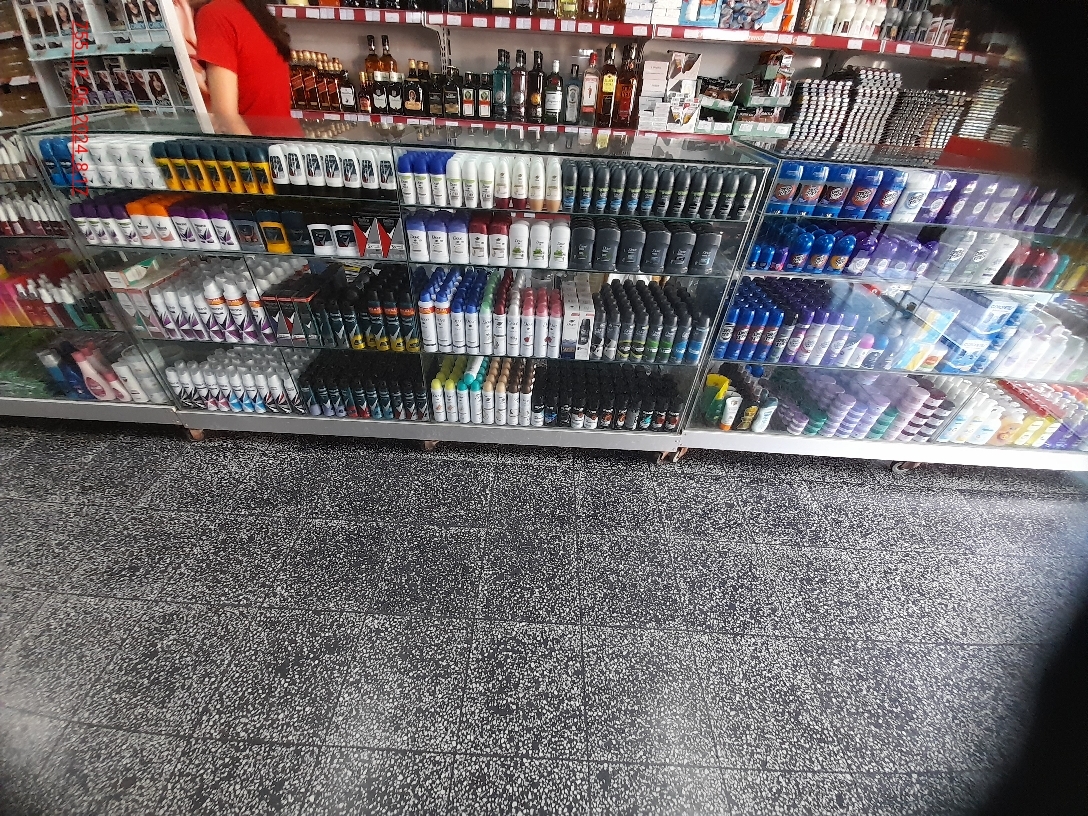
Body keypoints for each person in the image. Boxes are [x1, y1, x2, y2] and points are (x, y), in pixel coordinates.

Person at [193, 0, 296, 136]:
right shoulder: (250, 10)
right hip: (285, 141)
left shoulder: (214, 13)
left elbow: (225, 117)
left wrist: (253, 150)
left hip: (256, 142)